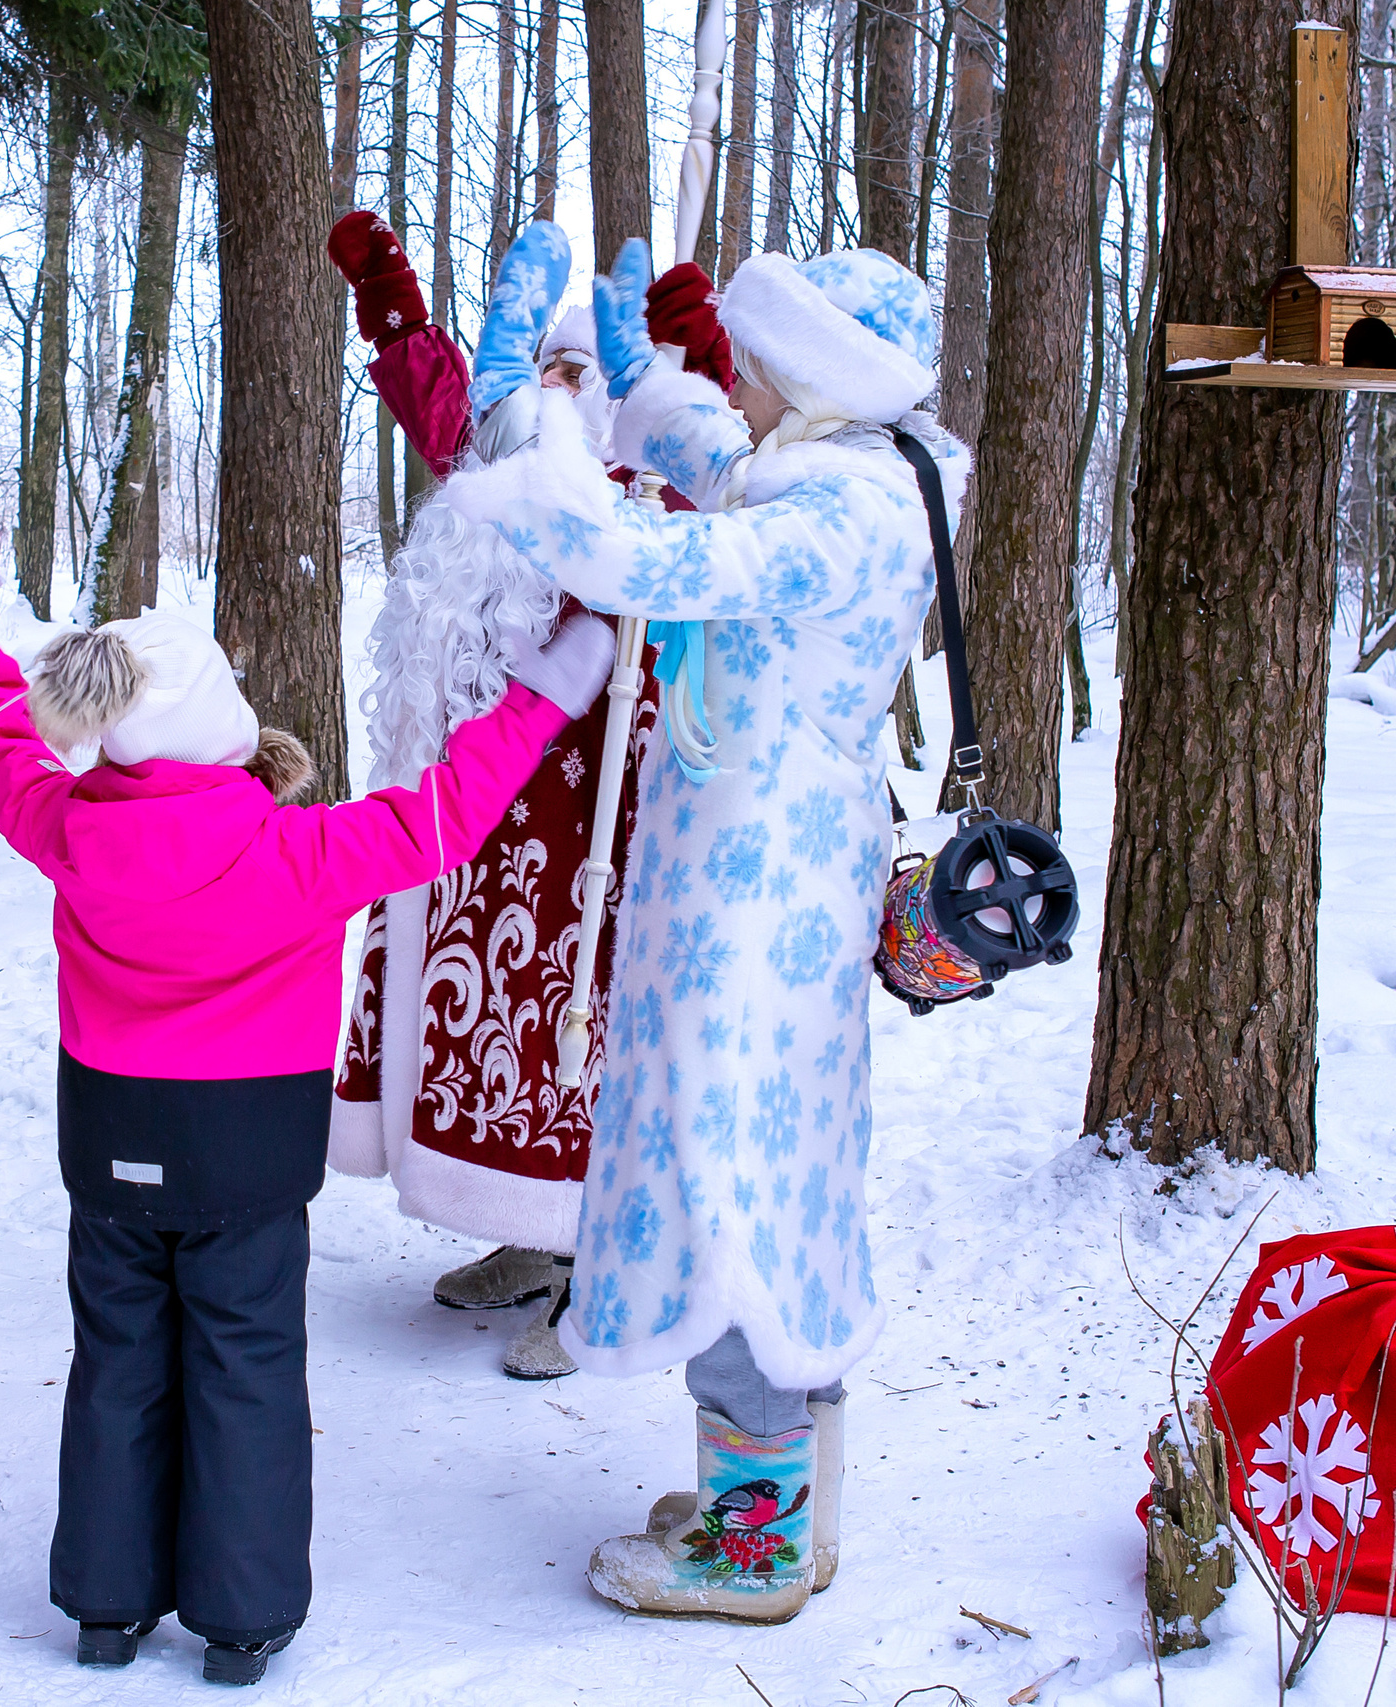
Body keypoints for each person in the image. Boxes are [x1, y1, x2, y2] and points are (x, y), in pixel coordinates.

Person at [0, 544, 616, 1682]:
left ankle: (105, 1607)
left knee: (117, 1360)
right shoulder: (298, 850)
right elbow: (450, 809)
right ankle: (240, 1624)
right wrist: (548, 690)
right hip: (244, 1157)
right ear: (220, 727)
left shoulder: (68, 826)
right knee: (243, 1365)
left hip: (108, 1145)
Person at [442, 234, 971, 1622]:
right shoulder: (853, 467)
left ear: (827, 377)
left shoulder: (842, 512)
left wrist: (527, 432)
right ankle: (781, 1506)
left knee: (732, 1183)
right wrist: (634, 374)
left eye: (776, 364)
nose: (760, 389)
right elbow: (724, 457)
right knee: (760, 1181)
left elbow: (639, 555)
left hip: (752, 912)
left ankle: (759, 1542)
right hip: (763, 886)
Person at [323, 214, 732, 1381]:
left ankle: (593, 1261)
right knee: (493, 1024)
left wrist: (689, 353)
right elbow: (435, 396)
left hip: (603, 813)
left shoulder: (652, 485)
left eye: (579, 373)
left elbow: (709, 473)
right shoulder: (507, 462)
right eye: (547, 370)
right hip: (488, 810)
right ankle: (524, 1227)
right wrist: (389, 291)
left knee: (576, 1029)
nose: (558, 391)